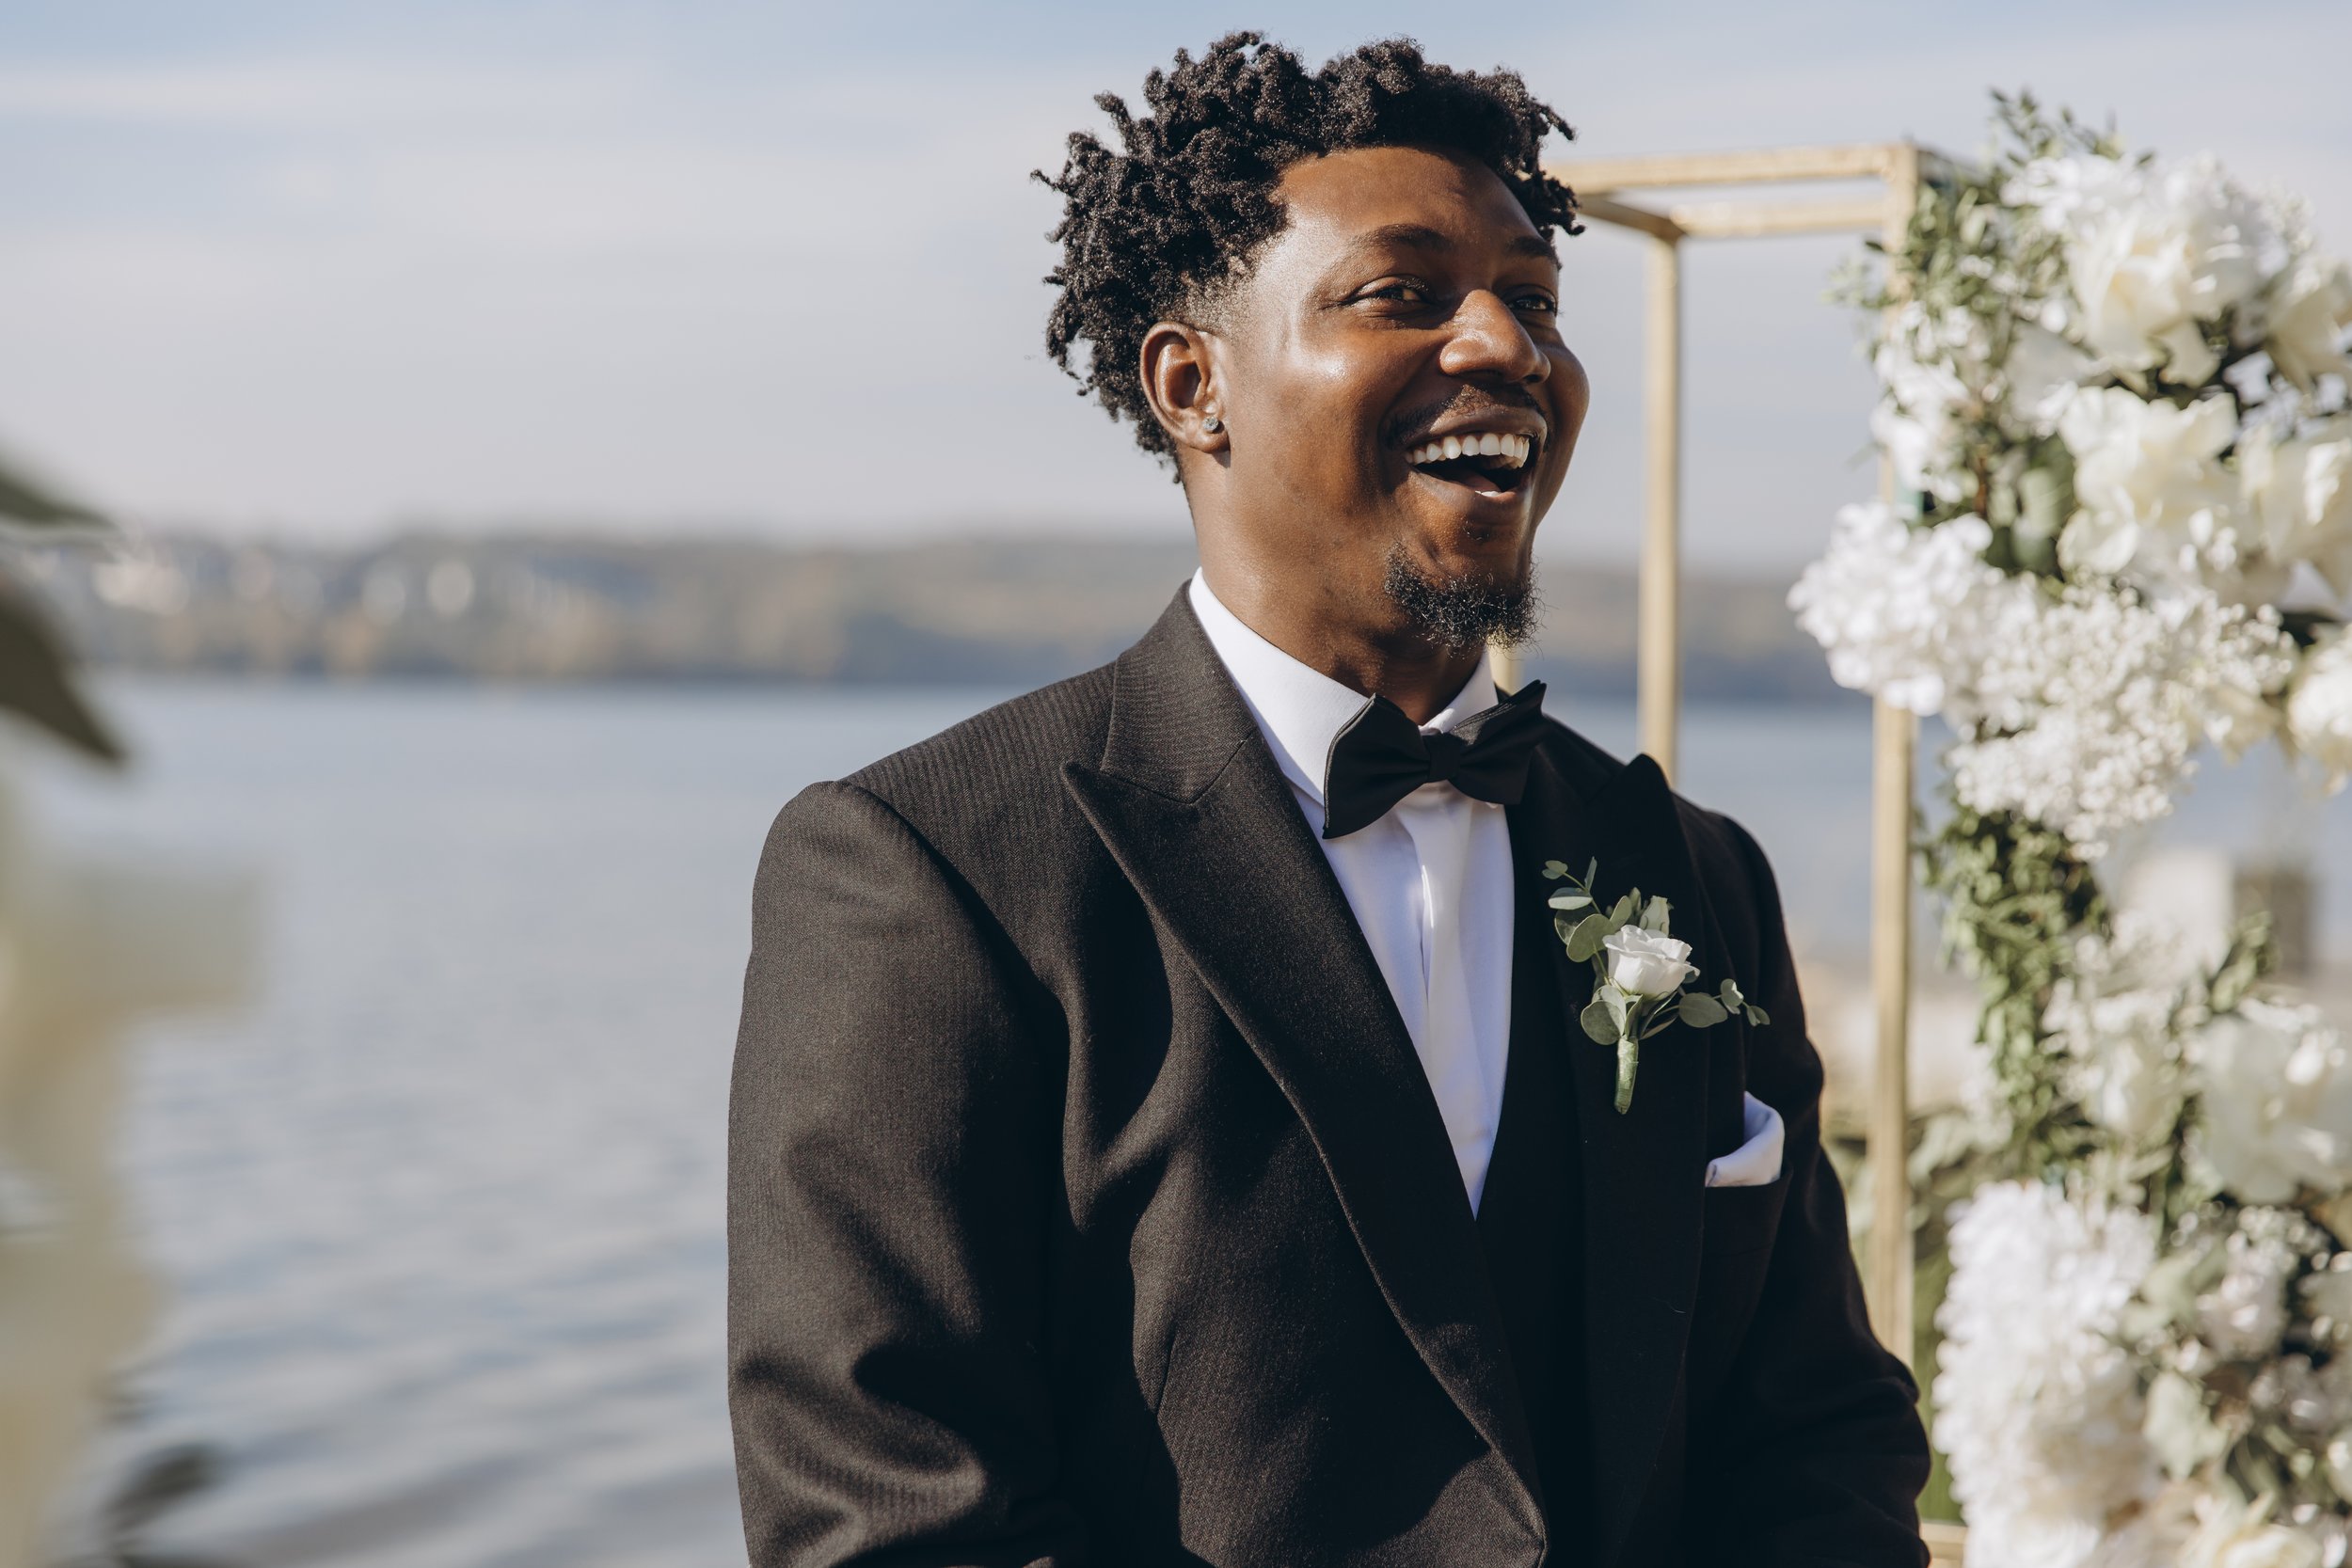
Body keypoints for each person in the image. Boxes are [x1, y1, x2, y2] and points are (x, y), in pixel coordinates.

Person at [729, 33, 1930, 1567]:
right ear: (1193, 384)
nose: (1508, 345)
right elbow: (891, 1513)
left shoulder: (1690, 876)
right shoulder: (929, 870)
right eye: (1404, 293)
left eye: (1537, 300)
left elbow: (1817, 1432)